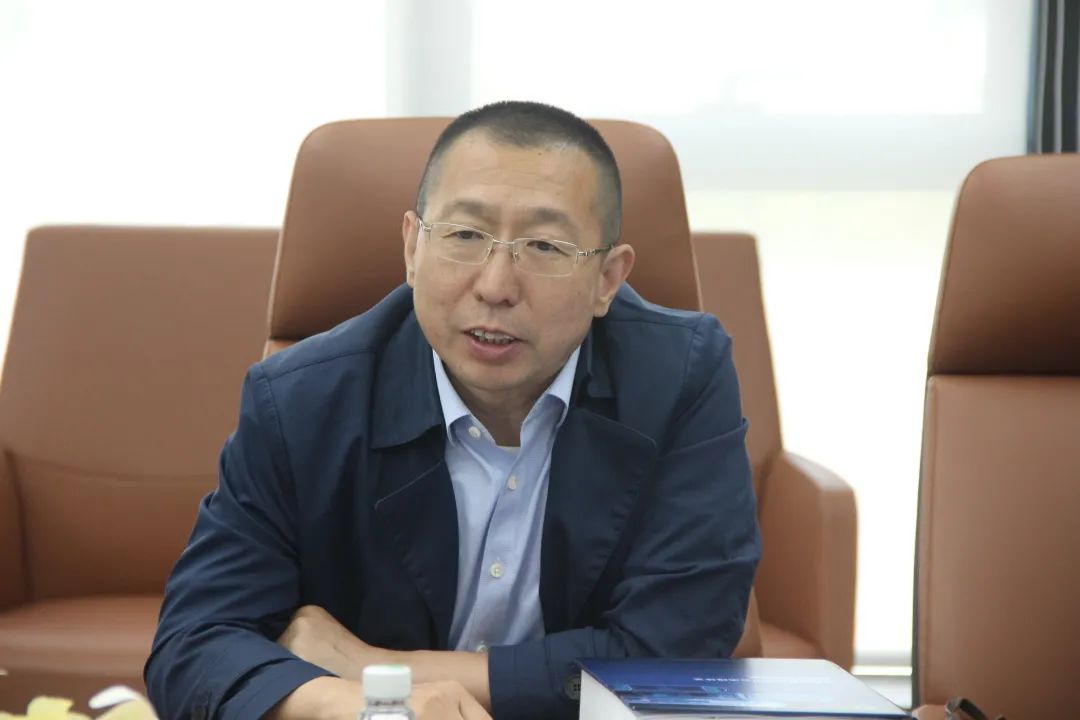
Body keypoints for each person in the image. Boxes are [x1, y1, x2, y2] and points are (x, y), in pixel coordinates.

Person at [145, 101, 761, 720]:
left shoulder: (681, 377)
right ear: (413, 248)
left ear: (607, 279)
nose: (495, 286)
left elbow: (679, 648)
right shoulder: (300, 400)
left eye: (544, 246)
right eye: (465, 235)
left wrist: (375, 669)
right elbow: (195, 645)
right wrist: (355, 702)